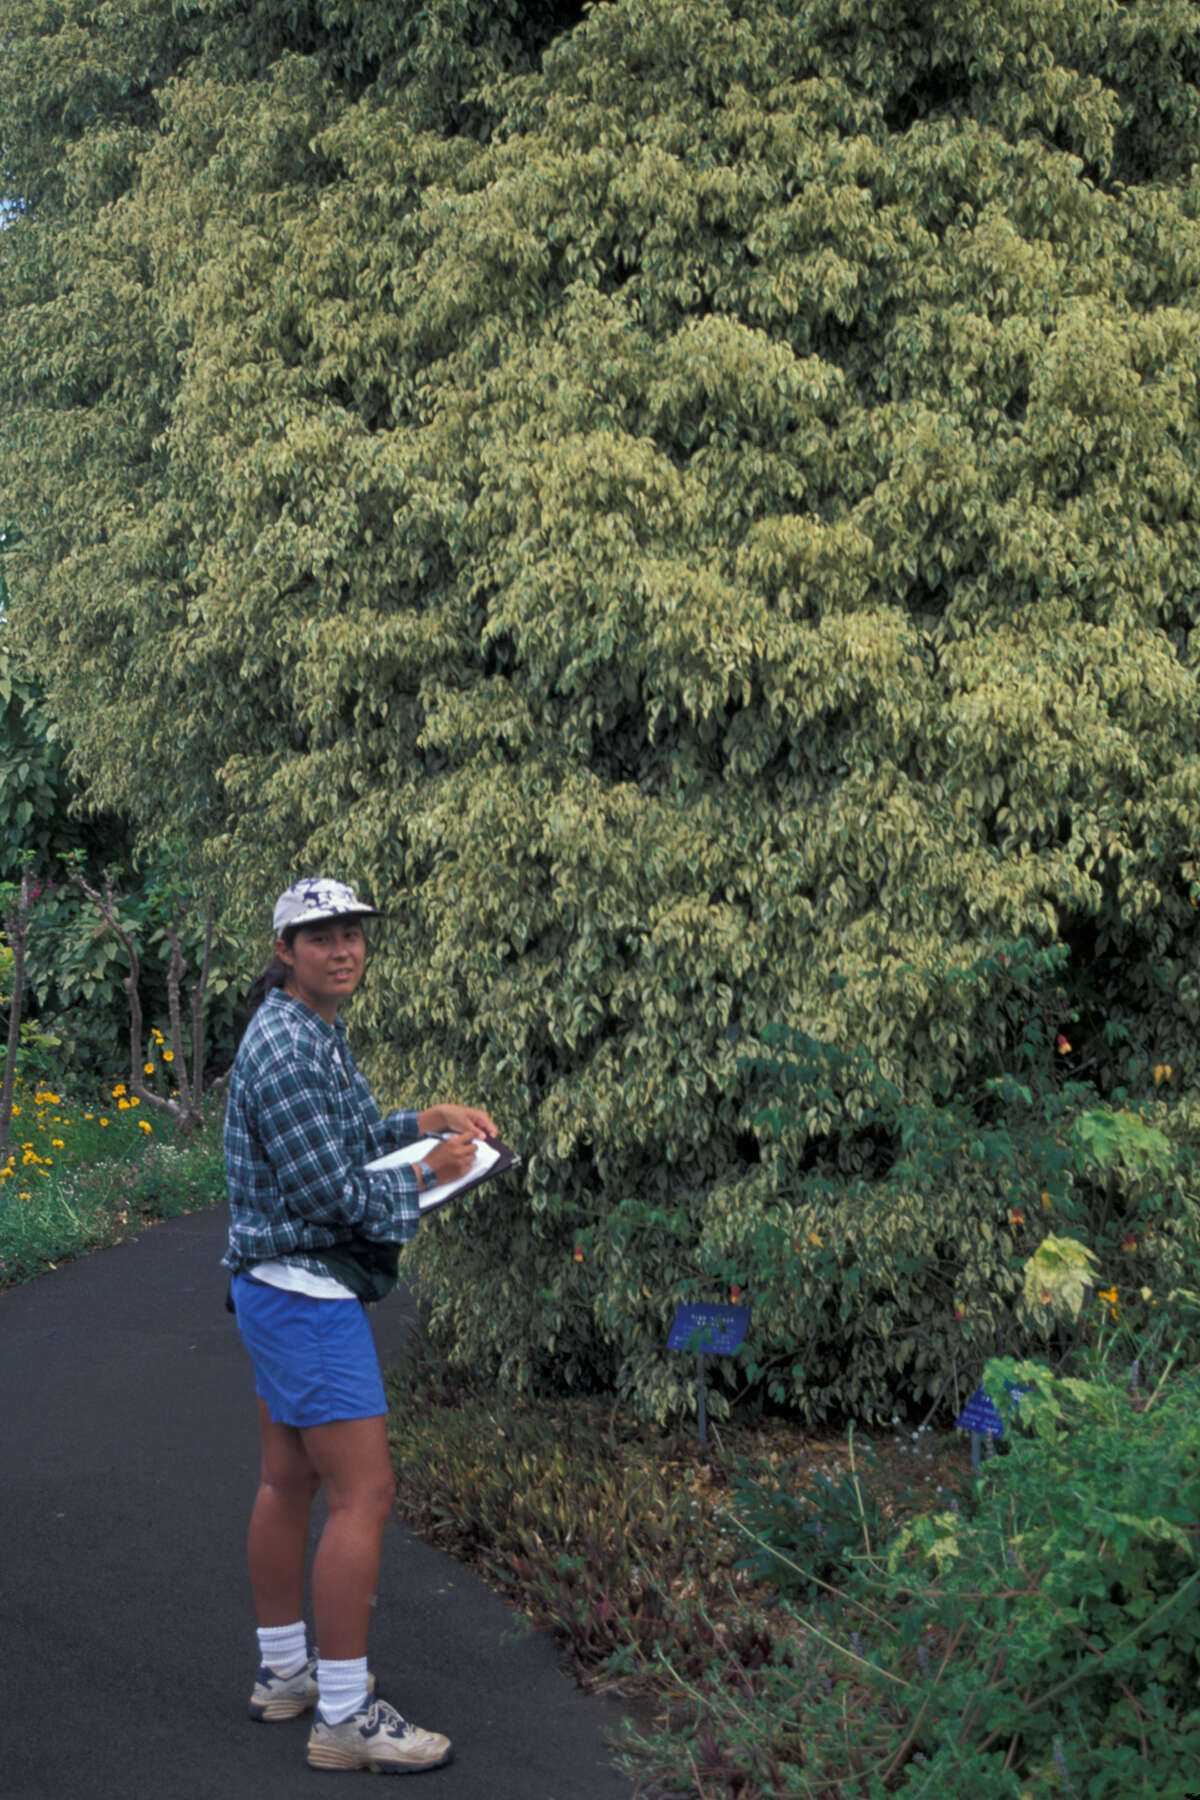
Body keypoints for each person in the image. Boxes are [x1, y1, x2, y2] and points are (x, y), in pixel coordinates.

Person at [222, 876, 498, 1775]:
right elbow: (331, 1192)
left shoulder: (307, 1031)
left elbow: (338, 1141)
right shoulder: (292, 1048)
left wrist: (422, 1123)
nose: (344, 949)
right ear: (285, 951)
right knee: (365, 1496)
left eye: (353, 933)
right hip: (305, 1297)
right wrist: (430, 1171)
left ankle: (285, 1674)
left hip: (276, 1289)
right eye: (322, 936)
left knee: (288, 1481)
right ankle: (342, 1717)